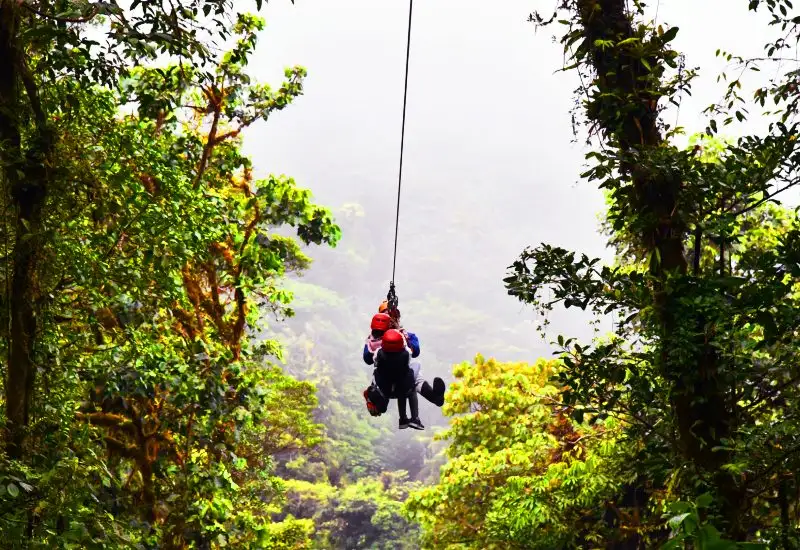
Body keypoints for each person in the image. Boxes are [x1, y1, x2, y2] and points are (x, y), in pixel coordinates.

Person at [363, 310, 445, 408]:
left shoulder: (375, 345)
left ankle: (378, 403)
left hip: (390, 385)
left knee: (381, 375)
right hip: (400, 384)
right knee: (415, 372)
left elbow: (368, 358)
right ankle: (434, 398)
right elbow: (412, 352)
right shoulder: (399, 341)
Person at [368, 329, 423, 430]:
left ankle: (376, 400)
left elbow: (372, 360)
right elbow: (411, 354)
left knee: (378, 377)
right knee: (410, 385)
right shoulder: (406, 353)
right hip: (402, 386)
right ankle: (413, 418)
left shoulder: (378, 352)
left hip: (385, 387)